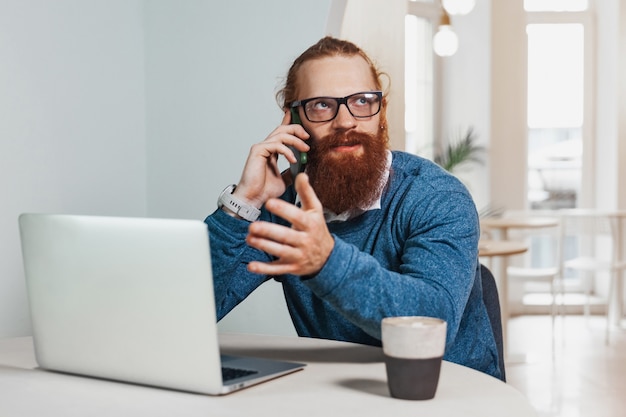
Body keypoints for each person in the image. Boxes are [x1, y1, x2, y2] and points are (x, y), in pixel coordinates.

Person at [205, 36, 502, 380]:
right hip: (337, 396)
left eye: (362, 101)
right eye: (322, 105)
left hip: (450, 393)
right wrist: (244, 203)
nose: (345, 121)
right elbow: (190, 311)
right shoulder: (282, 202)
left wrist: (326, 261)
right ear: (293, 119)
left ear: (381, 112)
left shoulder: (435, 195)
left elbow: (432, 323)